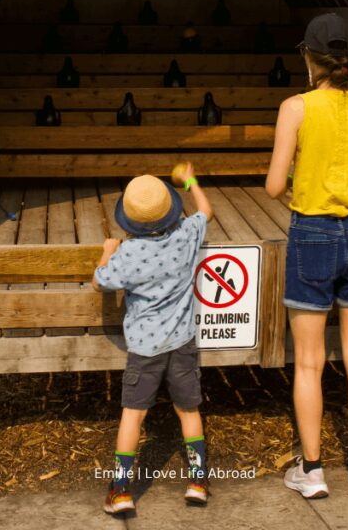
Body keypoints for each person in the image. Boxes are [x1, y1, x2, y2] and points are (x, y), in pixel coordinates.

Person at [266, 12, 348, 499]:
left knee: (310, 364)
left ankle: (312, 471)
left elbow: (274, 186)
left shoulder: (295, 108)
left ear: (309, 57)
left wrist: (302, 173)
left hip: (312, 234)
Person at [93, 163, 214, 514]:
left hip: (144, 349)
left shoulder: (129, 255)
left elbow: (100, 280)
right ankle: (198, 481)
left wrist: (108, 250)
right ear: (170, 210)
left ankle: (120, 490)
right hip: (182, 343)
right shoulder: (186, 235)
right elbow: (206, 211)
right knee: (188, 409)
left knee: (133, 415)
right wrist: (191, 180)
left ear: (129, 220)